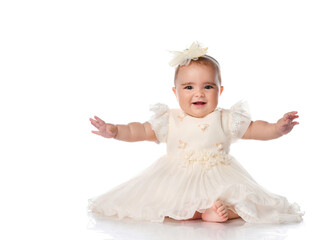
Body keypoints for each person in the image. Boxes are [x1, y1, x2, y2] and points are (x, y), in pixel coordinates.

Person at [88, 42, 304, 223]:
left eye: (208, 87)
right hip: (177, 175)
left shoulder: (225, 118)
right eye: (189, 87)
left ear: (219, 91)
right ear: (176, 92)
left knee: (242, 200)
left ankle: (219, 211)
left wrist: (277, 128)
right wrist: (116, 130)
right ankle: (200, 212)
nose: (198, 93)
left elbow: (255, 128)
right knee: (167, 201)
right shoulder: (170, 119)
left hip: (218, 175)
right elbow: (141, 130)